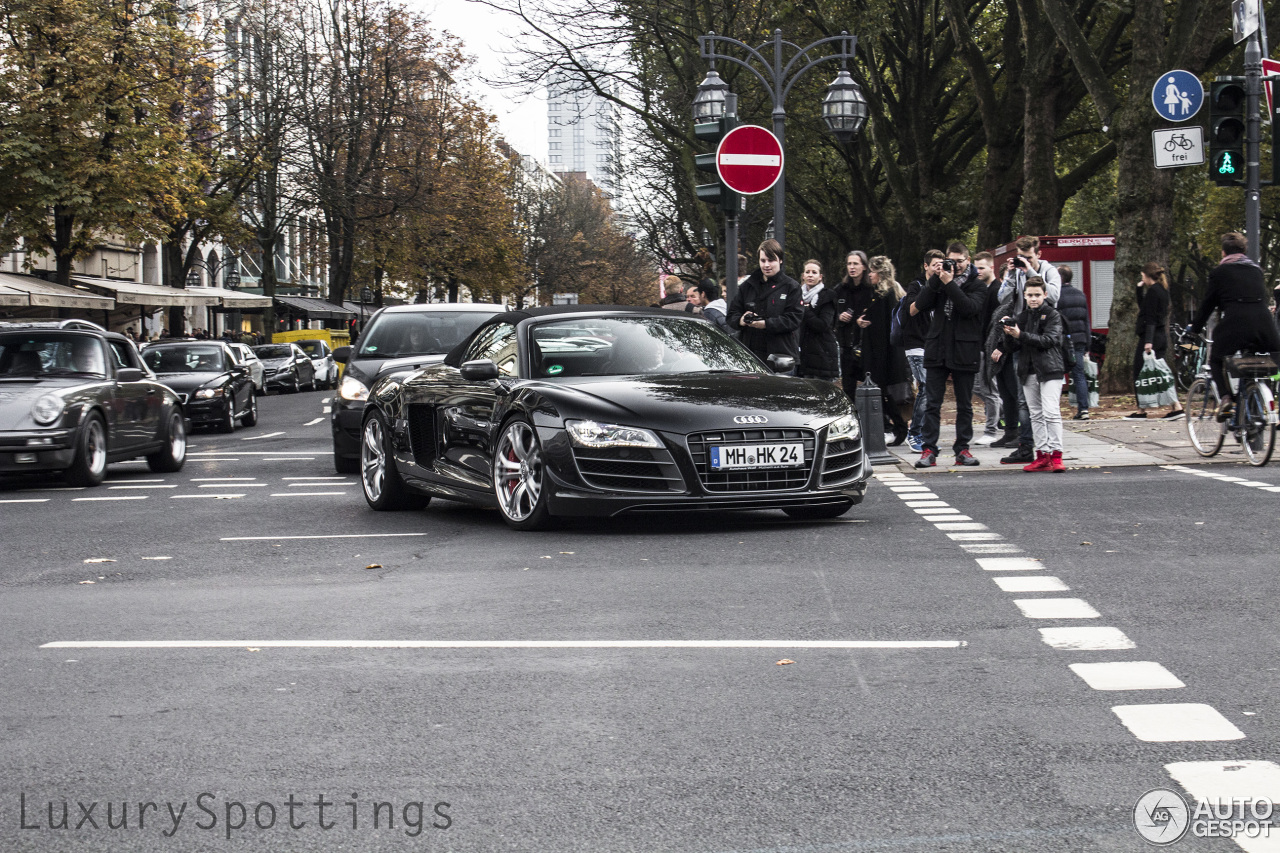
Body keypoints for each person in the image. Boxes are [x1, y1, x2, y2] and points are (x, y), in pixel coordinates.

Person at [1189, 232, 1280, 420]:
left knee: (1216, 359)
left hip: (1235, 322)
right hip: (1264, 324)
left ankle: (1226, 398)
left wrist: (1194, 329)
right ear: (1244, 251)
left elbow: (1207, 304)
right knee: (1271, 359)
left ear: (1223, 253)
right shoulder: (1256, 270)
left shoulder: (1219, 273)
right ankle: (1262, 393)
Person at [912, 244, 987, 468]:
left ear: (968, 260)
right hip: (938, 348)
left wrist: (949, 283)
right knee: (933, 403)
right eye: (950, 261)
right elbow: (921, 305)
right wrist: (936, 280)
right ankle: (929, 449)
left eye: (959, 261)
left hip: (965, 350)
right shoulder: (939, 281)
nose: (955, 265)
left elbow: (968, 308)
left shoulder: (978, 285)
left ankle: (962, 449)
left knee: (965, 404)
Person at [1000, 277, 1067, 473]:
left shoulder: (1053, 314)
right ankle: (1042, 454)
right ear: (1025, 296)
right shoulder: (1022, 317)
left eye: (1037, 295)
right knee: (1036, 414)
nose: (1033, 299)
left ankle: (1056, 454)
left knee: (1051, 412)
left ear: (1045, 295)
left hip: (1050, 369)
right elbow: (1013, 347)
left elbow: (1049, 340)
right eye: (1029, 295)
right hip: (1028, 370)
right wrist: (1008, 332)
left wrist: (1020, 334)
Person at [726, 239, 803, 369]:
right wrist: (742, 320)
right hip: (750, 356)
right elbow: (731, 315)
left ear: (780, 260)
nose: (766, 265)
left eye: (771, 260)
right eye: (763, 261)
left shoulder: (792, 287)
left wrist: (766, 324)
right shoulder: (747, 286)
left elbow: (794, 319)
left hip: (780, 358)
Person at [1124, 262, 1184, 419]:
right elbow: (1145, 308)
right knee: (1161, 373)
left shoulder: (1153, 292)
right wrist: (1139, 289)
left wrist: (1148, 342)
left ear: (1146, 275)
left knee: (1139, 371)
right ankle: (1175, 406)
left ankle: (1141, 410)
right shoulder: (1162, 290)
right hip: (1160, 336)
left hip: (1151, 337)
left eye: (1142, 275)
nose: (1141, 277)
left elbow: (1149, 318)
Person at [863, 255, 911, 443]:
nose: (870, 275)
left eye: (872, 271)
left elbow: (884, 327)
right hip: (883, 354)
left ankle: (899, 429)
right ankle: (898, 428)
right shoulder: (883, 294)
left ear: (880, 273)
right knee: (885, 394)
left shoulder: (885, 295)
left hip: (884, 355)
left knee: (887, 395)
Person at [901, 251, 942, 451]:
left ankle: (925, 435)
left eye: (941, 264)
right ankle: (914, 433)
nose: (939, 268)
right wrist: (931, 287)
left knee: (932, 391)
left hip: (934, 346)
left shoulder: (944, 286)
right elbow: (912, 310)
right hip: (916, 344)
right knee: (926, 387)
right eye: (935, 264)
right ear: (926, 266)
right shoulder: (916, 285)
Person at [972, 252, 1004, 444]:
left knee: (988, 390)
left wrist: (997, 346)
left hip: (989, 346)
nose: (978, 272)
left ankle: (991, 430)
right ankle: (1003, 408)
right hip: (980, 345)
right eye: (976, 268)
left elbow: (999, 321)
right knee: (978, 387)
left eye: (982, 267)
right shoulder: (983, 290)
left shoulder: (997, 290)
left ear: (992, 267)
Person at [832, 250, 874, 392]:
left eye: (855, 263)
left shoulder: (872, 289)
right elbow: (830, 314)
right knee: (848, 387)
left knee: (872, 384)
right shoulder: (840, 289)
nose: (852, 267)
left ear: (864, 266)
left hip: (867, 345)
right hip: (847, 345)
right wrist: (839, 316)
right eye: (849, 264)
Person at [1056, 264, 1091, 420]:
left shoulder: (1056, 296)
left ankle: (1054, 409)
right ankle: (1084, 409)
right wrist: (1087, 344)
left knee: (1056, 374)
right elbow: (1086, 321)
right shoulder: (1080, 295)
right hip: (1079, 340)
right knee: (1079, 375)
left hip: (1062, 342)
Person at [797, 259, 839, 381]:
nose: (810, 275)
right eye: (807, 272)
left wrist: (805, 309)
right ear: (803, 276)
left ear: (820, 277)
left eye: (814, 272)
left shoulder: (827, 296)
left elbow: (823, 324)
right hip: (804, 356)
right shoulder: (797, 295)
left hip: (822, 355)